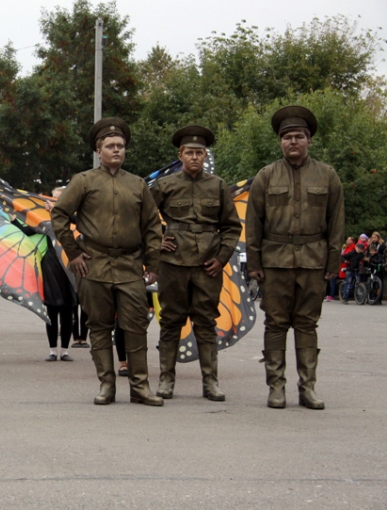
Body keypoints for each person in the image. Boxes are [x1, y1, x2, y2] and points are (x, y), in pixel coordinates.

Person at [51, 117, 163, 406]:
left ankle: (140, 387)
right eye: (110, 146)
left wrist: (153, 264)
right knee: (99, 326)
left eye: (121, 146)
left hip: (129, 265)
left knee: (136, 325)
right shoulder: (84, 181)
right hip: (93, 263)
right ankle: (107, 385)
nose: (117, 150)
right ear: (98, 151)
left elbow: (152, 226)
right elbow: (59, 215)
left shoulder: (138, 185)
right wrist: (73, 252)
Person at [246, 106, 344, 410]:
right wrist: (254, 264)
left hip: (313, 261)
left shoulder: (327, 176)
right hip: (274, 262)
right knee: (275, 324)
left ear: (309, 140)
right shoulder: (265, 176)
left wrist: (332, 264)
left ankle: (308, 388)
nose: (293, 142)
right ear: (280, 142)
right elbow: (253, 224)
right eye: (287, 137)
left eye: (299, 136)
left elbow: (337, 223)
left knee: (307, 325)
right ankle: (276, 387)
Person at [150, 125, 242, 401]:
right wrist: (157, 242)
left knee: (205, 322)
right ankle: (166, 380)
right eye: (189, 152)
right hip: (173, 263)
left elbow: (231, 226)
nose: (194, 157)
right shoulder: (165, 186)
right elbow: (145, 218)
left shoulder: (218, 186)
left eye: (199, 153)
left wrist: (221, 258)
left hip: (207, 265)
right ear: (180, 155)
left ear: (205, 156)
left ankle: (210, 382)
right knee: (170, 321)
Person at [10, 213, 75, 359]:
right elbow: (26, 231)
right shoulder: (46, 223)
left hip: (69, 265)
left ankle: (64, 351)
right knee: (52, 310)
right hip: (51, 266)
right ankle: (53, 351)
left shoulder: (75, 221)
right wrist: (13, 219)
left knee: (68, 312)